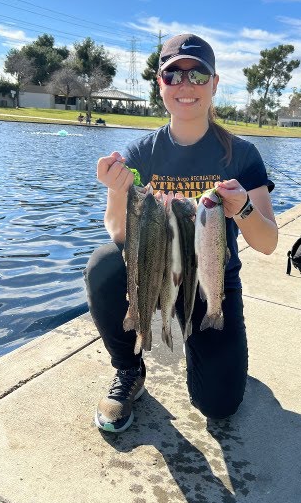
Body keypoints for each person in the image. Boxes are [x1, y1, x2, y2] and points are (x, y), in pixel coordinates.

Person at [83, 33, 278, 433]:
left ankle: (212, 352)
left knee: (219, 406)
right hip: (155, 273)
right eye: (174, 76)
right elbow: (118, 232)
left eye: (198, 74)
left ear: (215, 84)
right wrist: (117, 191)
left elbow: (268, 242)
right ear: (160, 85)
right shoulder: (139, 154)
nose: (186, 86)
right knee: (103, 264)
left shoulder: (241, 155)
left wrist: (240, 208)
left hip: (210, 285)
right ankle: (129, 369)